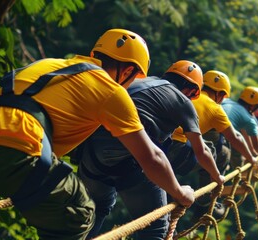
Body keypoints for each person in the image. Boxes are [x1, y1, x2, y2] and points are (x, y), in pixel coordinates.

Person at [0, 29, 192, 239]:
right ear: (128, 71)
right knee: (79, 211)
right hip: (17, 148)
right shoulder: (110, 90)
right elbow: (151, 157)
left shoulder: (49, 65)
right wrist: (179, 192)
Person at [75, 60, 224, 239]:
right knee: (155, 229)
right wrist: (216, 177)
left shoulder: (139, 82)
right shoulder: (183, 101)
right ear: (193, 91)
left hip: (91, 158)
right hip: (130, 161)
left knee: (96, 211)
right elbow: (202, 151)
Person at [167, 70, 257, 216]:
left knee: (204, 143)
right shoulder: (215, 109)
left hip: (156, 145)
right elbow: (236, 138)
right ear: (220, 94)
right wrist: (251, 158)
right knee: (218, 152)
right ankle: (205, 202)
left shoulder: (189, 94)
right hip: (175, 152)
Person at [221, 86, 258, 169]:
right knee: (232, 152)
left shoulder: (226, 101)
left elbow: (245, 133)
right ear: (253, 106)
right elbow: (257, 146)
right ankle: (240, 178)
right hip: (221, 138)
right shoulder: (249, 119)